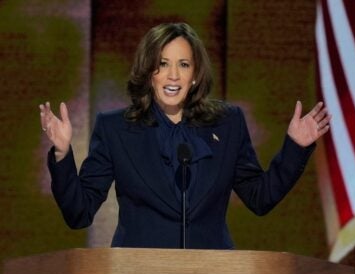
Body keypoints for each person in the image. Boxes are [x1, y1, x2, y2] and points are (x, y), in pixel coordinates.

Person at [39, 22, 331, 249]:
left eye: (183, 64)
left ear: (195, 75)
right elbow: (79, 212)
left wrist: (295, 147)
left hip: (213, 271)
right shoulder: (115, 129)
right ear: (148, 72)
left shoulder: (227, 124)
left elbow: (260, 197)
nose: (173, 76)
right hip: (138, 272)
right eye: (162, 64)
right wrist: (63, 154)